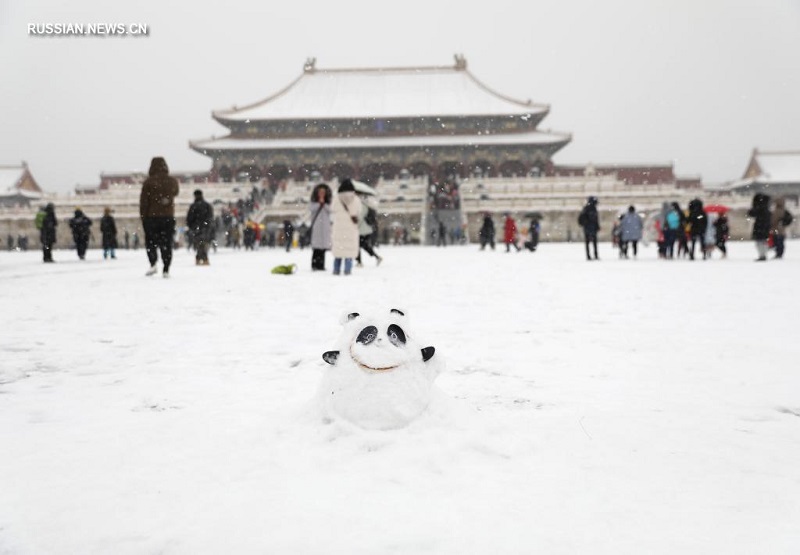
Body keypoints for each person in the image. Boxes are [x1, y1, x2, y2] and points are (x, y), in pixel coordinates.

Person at [139, 156, 179, 277]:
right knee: (166, 242)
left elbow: (144, 202)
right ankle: (166, 268)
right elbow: (176, 192)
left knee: (151, 242)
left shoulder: (148, 182)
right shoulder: (172, 181)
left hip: (152, 217)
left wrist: (143, 217)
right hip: (168, 217)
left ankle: (153, 263)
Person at [331, 179, 362, 275]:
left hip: (338, 228)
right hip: (350, 228)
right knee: (349, 251)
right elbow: (359, 211)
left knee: (339, 251)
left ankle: (336, 270)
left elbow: (332, 209)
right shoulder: (356, 199)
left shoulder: (336, 198)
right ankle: (347, 270)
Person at [186, 189, 214, 265]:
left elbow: (189, 218)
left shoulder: (193, 206)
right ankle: (203, 258)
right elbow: (210, 217)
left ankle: (200, 258)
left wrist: (191, 226)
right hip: (204, 227)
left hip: (196, 227)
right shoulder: (207, 205)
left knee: (199, 243)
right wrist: (208, 226)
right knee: (203, 243)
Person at [308, 183, 332, 271]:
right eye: (320, 192)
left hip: (325, 227)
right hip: (317, 226)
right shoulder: (313, 202)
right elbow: (311, 209)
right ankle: (314, 265)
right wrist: (319, 203)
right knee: (316, 248)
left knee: (323, 249)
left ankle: (321, 265)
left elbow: (331, 210)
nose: (322, 194)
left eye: (323, 192)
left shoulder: (328, 203)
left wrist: (324, 204)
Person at [356, 194, 383, 266]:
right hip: (366, 230)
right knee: (364, 246)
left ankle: (359, 262)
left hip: (362, 230)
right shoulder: (367, 206)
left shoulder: (361, 207)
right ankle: (376, 257)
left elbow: (359, 218)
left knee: (358, 245)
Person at [747, 192, 771, 261]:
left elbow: (751, 213)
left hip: (759, 226)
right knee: (763, 241)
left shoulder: (758, 207)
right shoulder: (766, 207)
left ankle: (762, 255)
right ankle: (763, 254)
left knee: (759, 241)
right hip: (765, 227)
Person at [578, 196, 600, 260]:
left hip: (588, 228)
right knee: (593, 242)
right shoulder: (591, 209)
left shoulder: (586, 208)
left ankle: (589, 255)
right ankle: (594, 255)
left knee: (588, 242)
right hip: (590, 227)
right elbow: (595, 219)